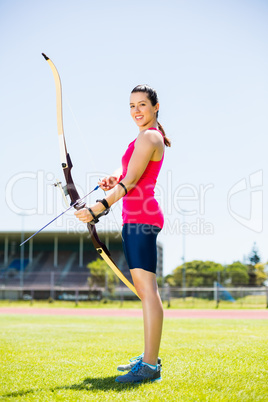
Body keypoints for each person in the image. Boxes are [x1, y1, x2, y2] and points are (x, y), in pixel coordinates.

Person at [74, 84, 171, 383]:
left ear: (156, 107)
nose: (136, 111)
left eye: (142, 104)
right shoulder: (141, 139)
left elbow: (130, 183)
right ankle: (148, 357)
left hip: (142, 218)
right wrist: (113, 178)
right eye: (131, 106)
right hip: (136, 217)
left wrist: (98, 207)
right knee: (145, 293)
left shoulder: (151, 136)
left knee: (148, 293)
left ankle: (151, 366)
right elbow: (126, 175)